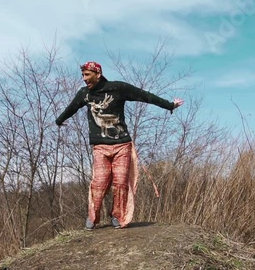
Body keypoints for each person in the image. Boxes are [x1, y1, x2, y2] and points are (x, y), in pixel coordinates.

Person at [55, 61, 184, 230]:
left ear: (98, 74)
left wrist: (169, 105)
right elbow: (71, 108)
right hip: (100, 147)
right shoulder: (84, 94)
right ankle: (93, 217)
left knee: (121, 182)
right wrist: (59, 120)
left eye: (87, 75)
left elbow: (144, 95)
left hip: (122, 144)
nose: (84, 78)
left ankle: (117, 215)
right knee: (99, 182)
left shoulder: (118, 88)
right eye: (83, 75)